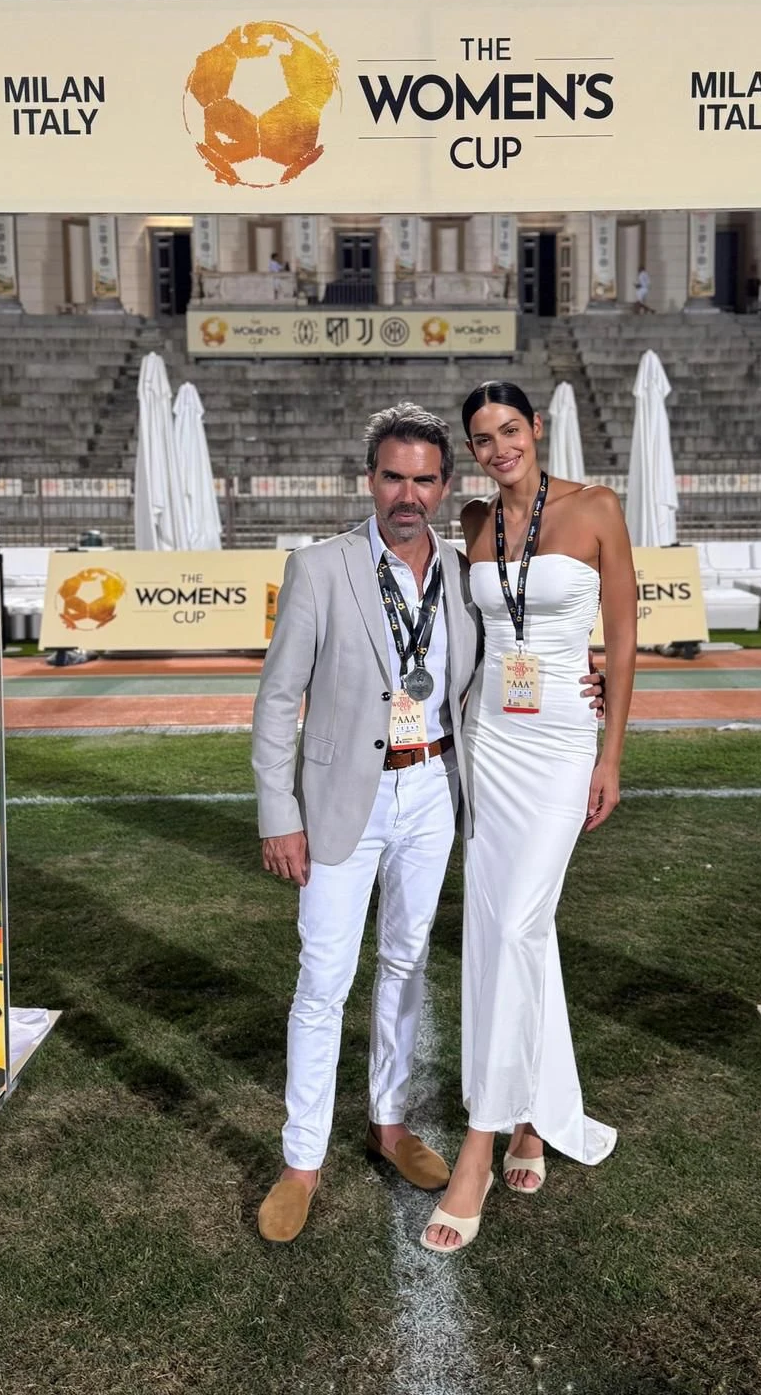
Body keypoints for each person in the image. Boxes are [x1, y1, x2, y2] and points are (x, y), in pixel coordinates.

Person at [251, 402, 606, 1244]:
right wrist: (278, 815)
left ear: (446, 486)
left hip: (436, 790)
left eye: (423, 480)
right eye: (392, 478)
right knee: (323, 981)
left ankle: (390, 1122)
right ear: (369, 480)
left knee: (407, 965)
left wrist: (583, 674)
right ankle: (301, 1163)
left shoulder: (461, 568)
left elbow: (515, 647)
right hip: (342, 801)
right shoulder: (319, 568)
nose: (407, 495)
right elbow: (276, 699)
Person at [420, 379, 637, 1253]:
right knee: (510, 932)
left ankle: (478, 1142)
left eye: (510, 429)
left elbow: (623, 634)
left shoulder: (596, 508)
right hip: (490, 741)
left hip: (561, 743)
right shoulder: (474, 522)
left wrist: (611, 753)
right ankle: (530, 1122)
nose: (499, 448)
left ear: (536, 428)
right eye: (483, 438)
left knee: (515, 924)